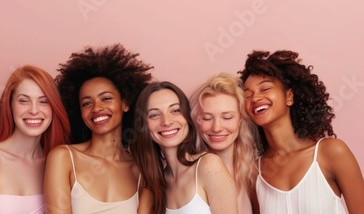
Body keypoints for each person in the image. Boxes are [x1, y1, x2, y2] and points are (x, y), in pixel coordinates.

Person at [238, 50, 364, 213]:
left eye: (265, 88)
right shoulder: (255, 173)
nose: (255, 98)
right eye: (247, 96)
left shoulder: (331, 152)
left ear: (289, 97)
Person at [44, 43, 153, 214]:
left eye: (106, 98)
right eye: (87, 103)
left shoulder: (142, 171)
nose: (96, 108)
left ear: (125, 103)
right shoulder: (63, 158)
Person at [0, 65, 71, 214]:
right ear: (10, 105)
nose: (34, 110)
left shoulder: (57, 163)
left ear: (54, 107)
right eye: (23, 101)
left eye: (43, 101)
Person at [131, 81, 238, 214]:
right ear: (144, 125)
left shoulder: (209, 165)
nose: (167, 121)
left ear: (187, 116)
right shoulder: (157, 183)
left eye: (175, 110)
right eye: (154, 115)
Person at [189, 72, 259, 214]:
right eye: (207, 118)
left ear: (240, 120)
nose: (216, 128)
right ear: (197, 122)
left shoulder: (253, 173)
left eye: (227, 117)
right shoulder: (187, 175)